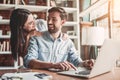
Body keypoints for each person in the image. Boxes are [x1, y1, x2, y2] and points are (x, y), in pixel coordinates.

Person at [24, 7, 94, 71]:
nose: (49, 22)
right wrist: (53, 65)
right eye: (48, 19)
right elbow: (29, 62)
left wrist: (85, 63)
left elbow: (76, 61)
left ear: (62, 22)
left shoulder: (68, 42)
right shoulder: (37, 39)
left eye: (54, 19)